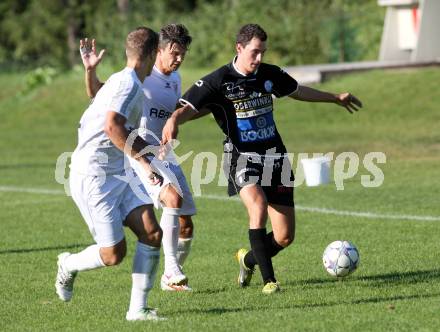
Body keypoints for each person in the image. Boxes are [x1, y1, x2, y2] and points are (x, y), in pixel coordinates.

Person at [162, 23, 362, 294]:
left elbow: (298, 90)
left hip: (275, 157)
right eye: (254, 52)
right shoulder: (218, 80)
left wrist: (334, 98)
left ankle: (247, 260)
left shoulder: (269, 74)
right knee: (257, 207)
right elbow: (188, 106)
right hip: (241, 157)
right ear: (239, 48)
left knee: (284, 236)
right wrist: (174, 119)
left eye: (263, 53)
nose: (259, 58)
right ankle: (269, 281)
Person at [55, 27, 166, 321]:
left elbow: (96, 95)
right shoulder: (127, 83)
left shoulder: (122, 79)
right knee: (112, 255)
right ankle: (68, 264)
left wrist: (90, 72)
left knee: (152, 232)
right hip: (94, 176)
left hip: (118, 171)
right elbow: (112, 127)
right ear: (154, 54)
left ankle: (138, 310)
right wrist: (146, 158)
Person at [79, 24, 195, 291]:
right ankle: (171, 272)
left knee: (186, 225)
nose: (179, 59)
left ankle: (171, 275)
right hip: (137, 152)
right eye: (174, 52)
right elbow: (97, 94)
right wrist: (90, 71)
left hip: (163, 154)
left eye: (183, 54)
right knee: (171, 199)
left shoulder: (175, 79)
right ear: (158, 51)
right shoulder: (141, 77)